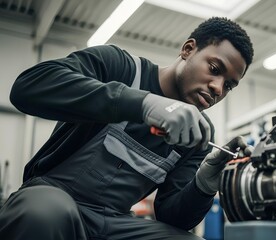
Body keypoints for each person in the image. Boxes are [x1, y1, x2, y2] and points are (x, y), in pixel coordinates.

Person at [0, 17, 254, 240]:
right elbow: (28, 86)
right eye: (214, 69)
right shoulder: (119, 67)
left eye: (229, 86)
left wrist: (203, 185)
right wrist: (143, 103)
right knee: (43, 212)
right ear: (188, 49)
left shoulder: (197, 132)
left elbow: (173, 220)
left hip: (113, 223)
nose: (218, 88)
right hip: (52, 195)